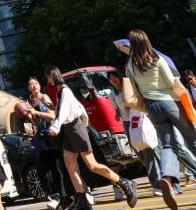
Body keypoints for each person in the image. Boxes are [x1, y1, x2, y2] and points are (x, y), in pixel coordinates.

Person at [124, 29, 196, 209]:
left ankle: (167, 178)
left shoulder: (130, 65)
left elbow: (134, 91)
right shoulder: (156, 59)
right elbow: (171, 83)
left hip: (151, 107)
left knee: (168, 145)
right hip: (170, 103)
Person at [46, 67, 138, 210]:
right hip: (69, 131)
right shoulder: (60, 93)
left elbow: (64, 113)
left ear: (54, 76)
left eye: (49, 77)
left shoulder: (65, 91)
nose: (48, 80)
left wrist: (55, 127)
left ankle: (124, 182)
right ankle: (82, 199)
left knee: (92, 165)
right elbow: (72, 109)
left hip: (75, 129)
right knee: (70, 165)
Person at [21, 75, 70, 208]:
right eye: (31, 84)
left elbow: (52, 115)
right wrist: (30, 124)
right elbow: (34, 121)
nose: (34, 86)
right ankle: (55, 195)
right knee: (42, 169)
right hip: (40, 138)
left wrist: (36, 113)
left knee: (56, 167)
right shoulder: (29, 101)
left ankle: (64, 196)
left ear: (39, 85)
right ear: (28, 87)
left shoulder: (44, 98)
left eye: (36, 83)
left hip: (51, 135)